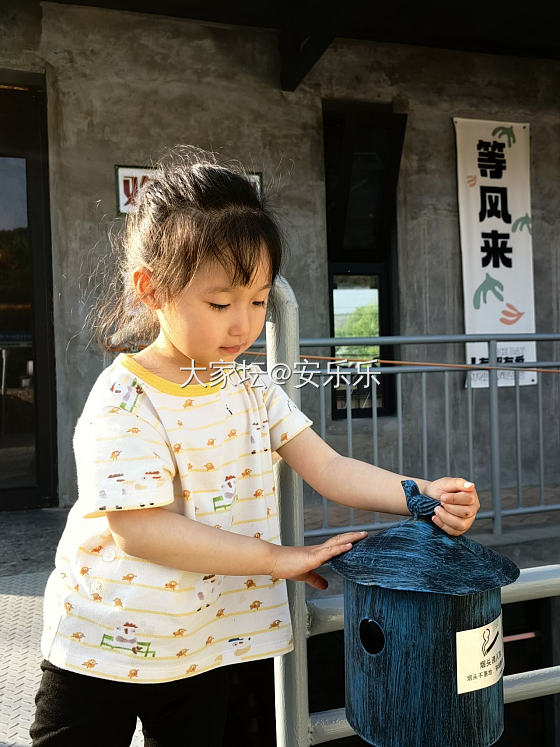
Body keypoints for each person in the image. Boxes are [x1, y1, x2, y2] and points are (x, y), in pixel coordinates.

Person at [30, 147, 480, 746]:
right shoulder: (125, 397)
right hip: (100, 641)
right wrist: (275, 558)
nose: (243, 326)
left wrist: (420, 494)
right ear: (151, 289)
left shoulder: (252, 389)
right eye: (220, 304)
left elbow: (328, 467)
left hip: (207, 645)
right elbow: (139, 529)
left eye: (259, 300)